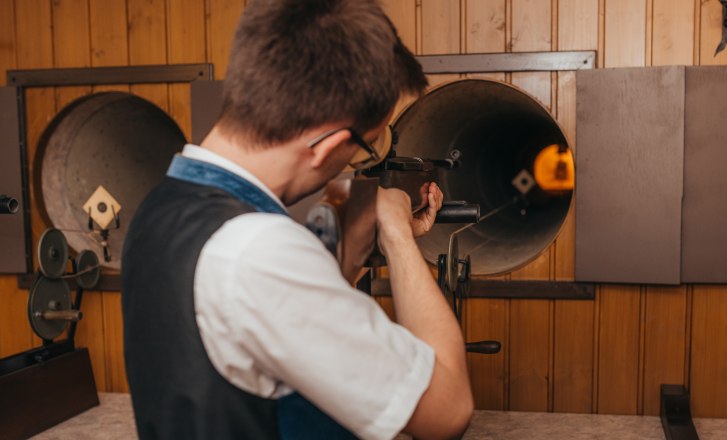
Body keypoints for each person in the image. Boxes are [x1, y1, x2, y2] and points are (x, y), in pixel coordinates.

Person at [121, 0, 473, 439]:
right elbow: (447, 410)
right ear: (328, 146)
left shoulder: (163, 204)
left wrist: (365, 241)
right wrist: (397, 232)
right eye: (364, 147)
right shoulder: (257, 250)